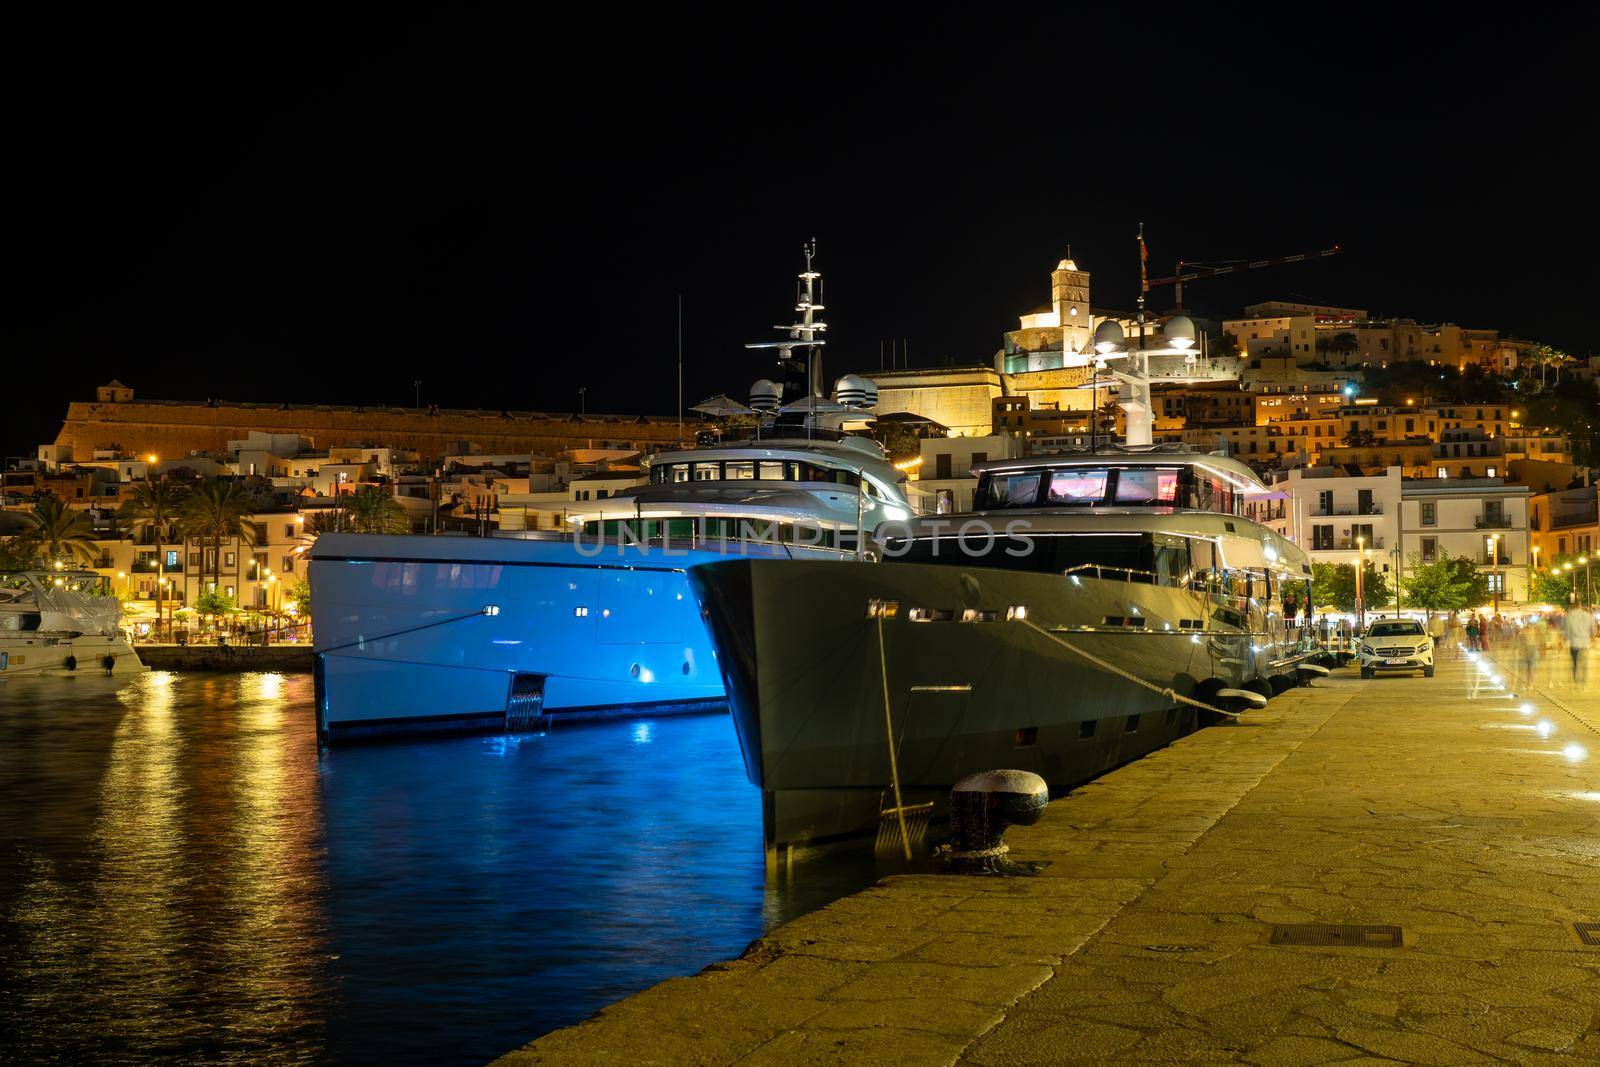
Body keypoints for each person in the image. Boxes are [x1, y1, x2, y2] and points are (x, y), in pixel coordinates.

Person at [1564, 605, 1595, 688]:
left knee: (1575, 663)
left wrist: (1567, 638)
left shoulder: (1570, 616)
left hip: (1574, 643)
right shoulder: (1588, 616)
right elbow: (1593, 630)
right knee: (1584, 664)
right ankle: (1583, 683)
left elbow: (1567, 630)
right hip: (1585, 643)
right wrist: (1591, 636)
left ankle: (1576, 682)